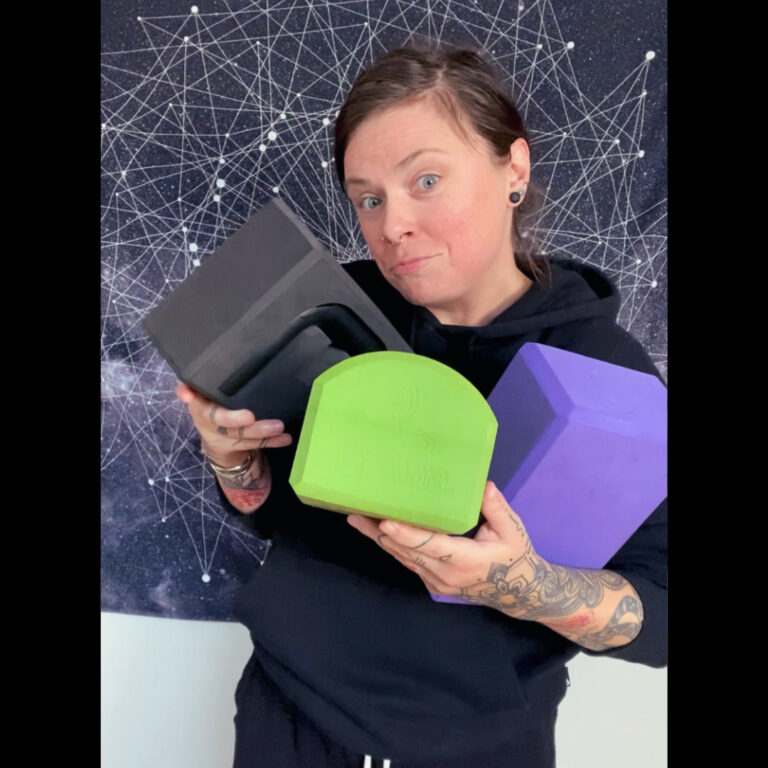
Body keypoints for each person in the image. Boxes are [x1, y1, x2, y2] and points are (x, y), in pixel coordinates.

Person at [176, 46, 667, 768]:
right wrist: (233, 460)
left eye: (426, 180)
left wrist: (523, 586)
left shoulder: (607, 372)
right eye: (368, 198)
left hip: (474, 750)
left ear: (514, 168)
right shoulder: (327, 313)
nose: (392, 225)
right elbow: (275, 510)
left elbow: (661, 612)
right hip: (286, 723)